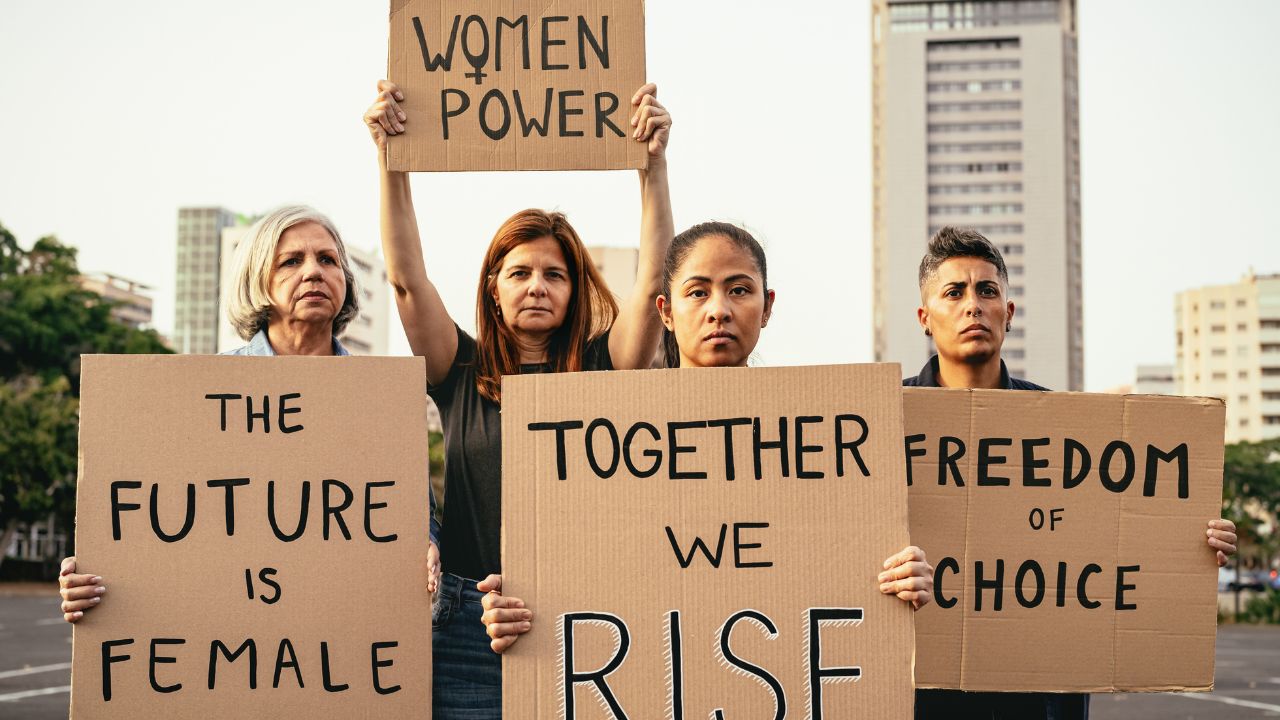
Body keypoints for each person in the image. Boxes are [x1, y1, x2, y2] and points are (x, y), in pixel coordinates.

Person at [477, 221, 935, 654]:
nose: (719, 309)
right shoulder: (605, 432)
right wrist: (520, 605)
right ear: (666, 312)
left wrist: (902, 577)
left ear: (768, 306)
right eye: (697, 292)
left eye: (739, 290)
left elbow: (837, 558)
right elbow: (581, 566)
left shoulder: (821, 434)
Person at [364, 80, 674, 718]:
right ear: (494, 287)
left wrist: (654, 166)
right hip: (468, 627)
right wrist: (389, 158)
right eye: (520, 272)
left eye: (555, 274)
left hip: (585, 621)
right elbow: (405, 278)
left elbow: (652, 283)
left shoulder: (601, 367)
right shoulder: (459, 368)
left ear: (575, 289)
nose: (538, 286)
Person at [907, 225, 1237, 720]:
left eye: (987, 291)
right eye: (954, 292)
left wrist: (1189, 541)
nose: (972, 305)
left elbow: (1109, 538)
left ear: (1009, 314)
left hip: (1040, 699)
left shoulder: (1067, 426)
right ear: (925, 318)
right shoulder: (889, 419)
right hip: (923, 694)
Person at [57, 205, 443, 621]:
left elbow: (417, 515)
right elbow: (160, 520)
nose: (313, 272)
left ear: (346, 283)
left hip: (340, 629)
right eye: (291, 261)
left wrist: (428, 546)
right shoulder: (202, 396)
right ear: (258, 281)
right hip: (234, 633)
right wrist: (101, 576)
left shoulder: (381, 401)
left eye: (327, 260)